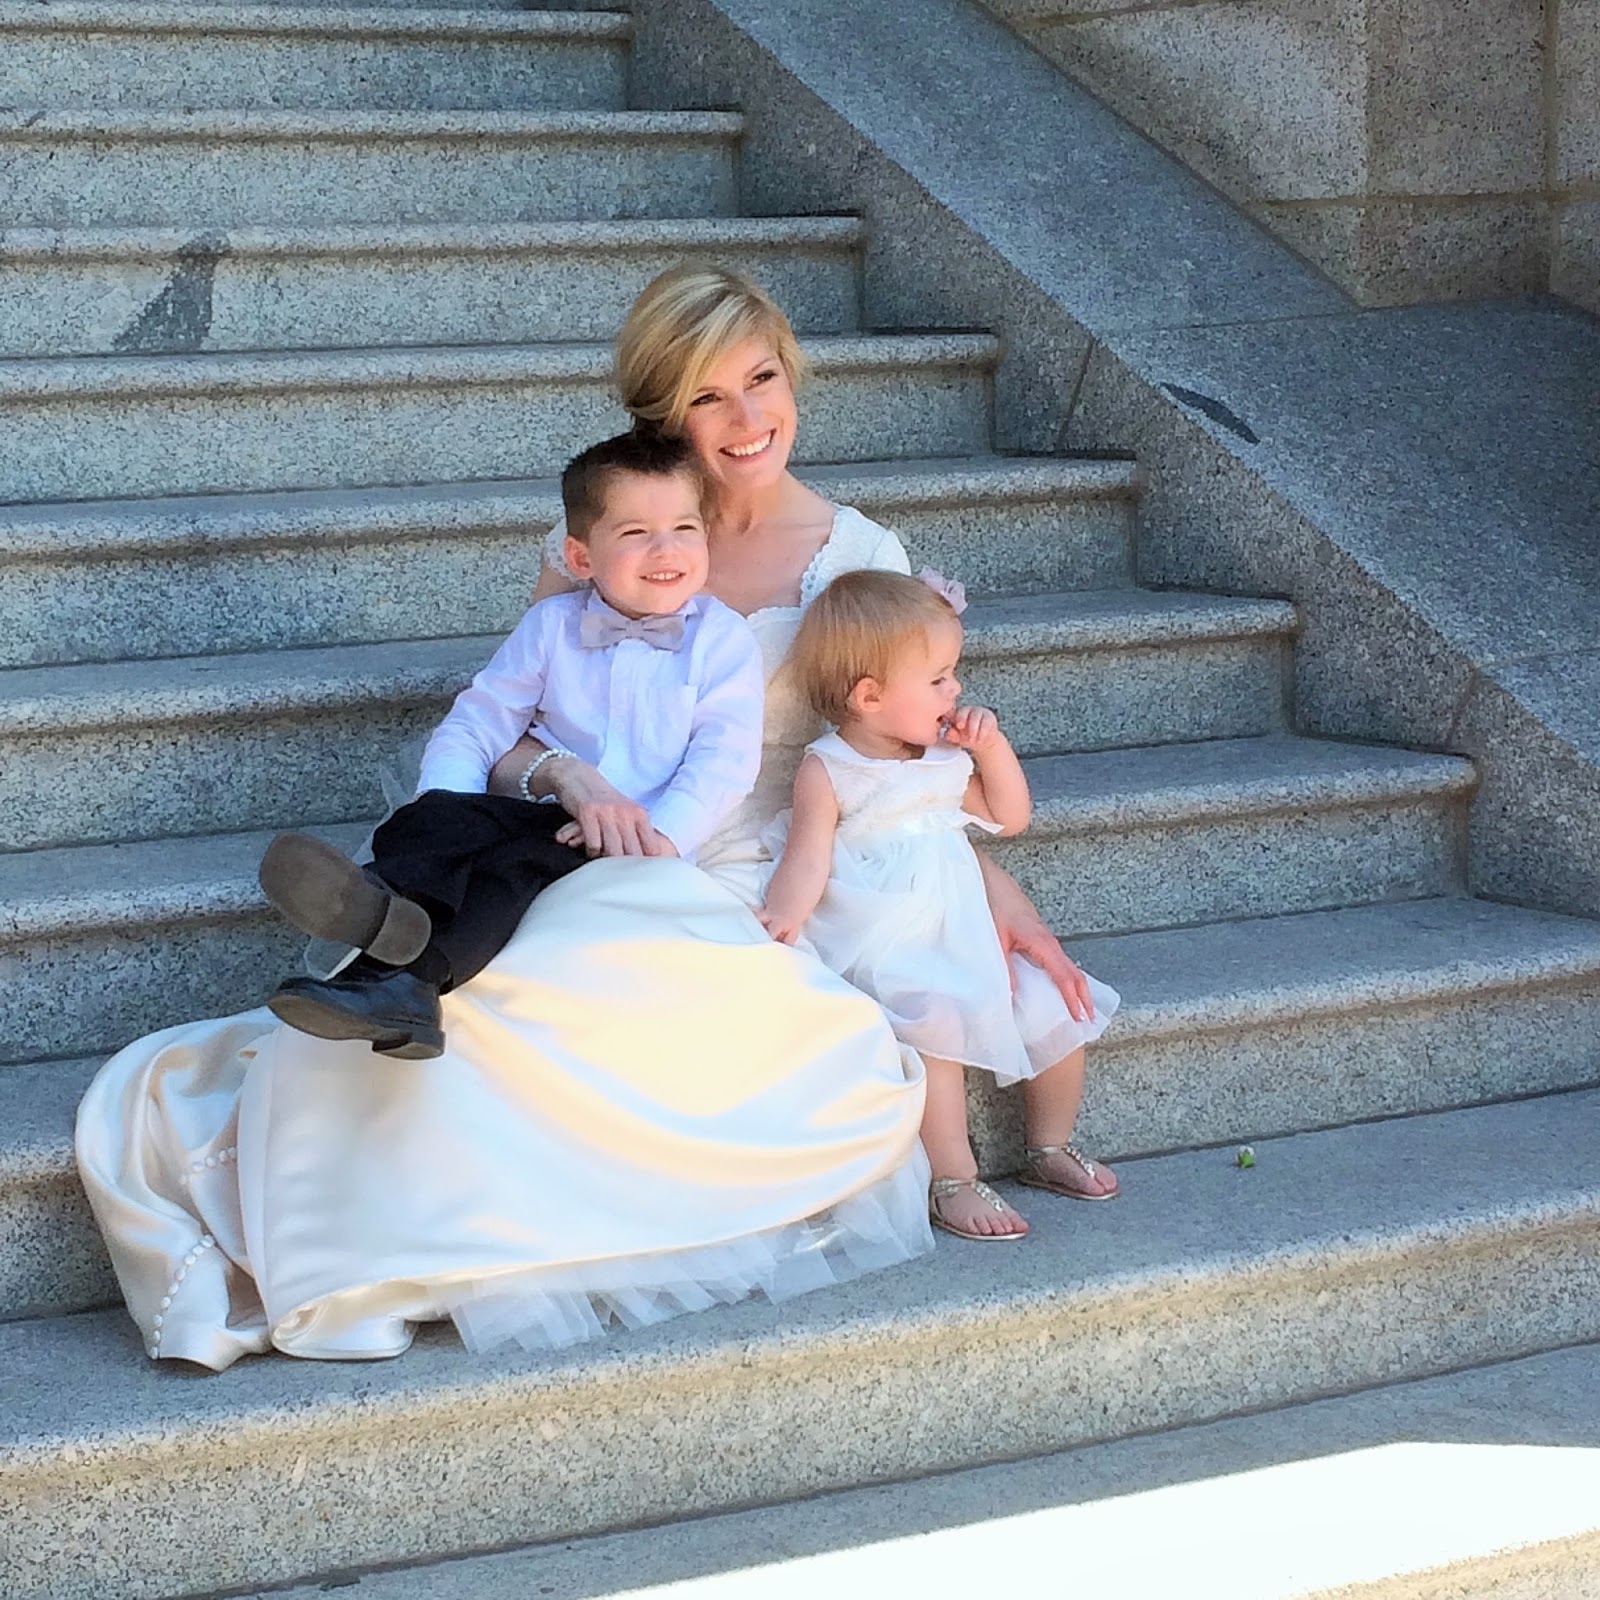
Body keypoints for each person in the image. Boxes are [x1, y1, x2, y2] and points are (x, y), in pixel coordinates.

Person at [75, 265, 1105, 1369]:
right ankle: (381, 1054)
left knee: (590, 999)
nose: (747, 418)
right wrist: (570, 778)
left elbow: (894, 763)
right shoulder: (608, 527)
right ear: (663, 411)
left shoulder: (859, 559)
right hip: (573, 837)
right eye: (708, 396)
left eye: (762, 380)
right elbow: (511, 719)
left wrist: (991, 888)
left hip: (747, 868)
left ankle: (441, 1203)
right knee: (485, 984)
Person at [257, 430, 763, 1061]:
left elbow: (725, 758)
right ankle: (382, 925)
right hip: (541, 806)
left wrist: (660, 836)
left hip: (626, 837)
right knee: (430, 821)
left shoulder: (722, 640)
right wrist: (448, 806)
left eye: (685, 528)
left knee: (510, 873)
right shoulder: (550, 626)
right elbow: (480, 720)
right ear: (581, 556)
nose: (666, 549)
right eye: (636, 532)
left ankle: (391, 971)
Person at [760, 569, 1120, 1241]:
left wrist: (993, 750)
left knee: (1054, 1002)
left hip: (961, 926)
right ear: (869, 696)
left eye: (953, 674)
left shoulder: (945, 758)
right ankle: (952, 1175)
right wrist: (782, 919)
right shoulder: (828, 767)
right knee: (935, 1022)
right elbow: (807, 857)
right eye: (938, 679)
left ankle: (1049, 1143)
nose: (955, 691)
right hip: (888, 933)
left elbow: (1009, 818)